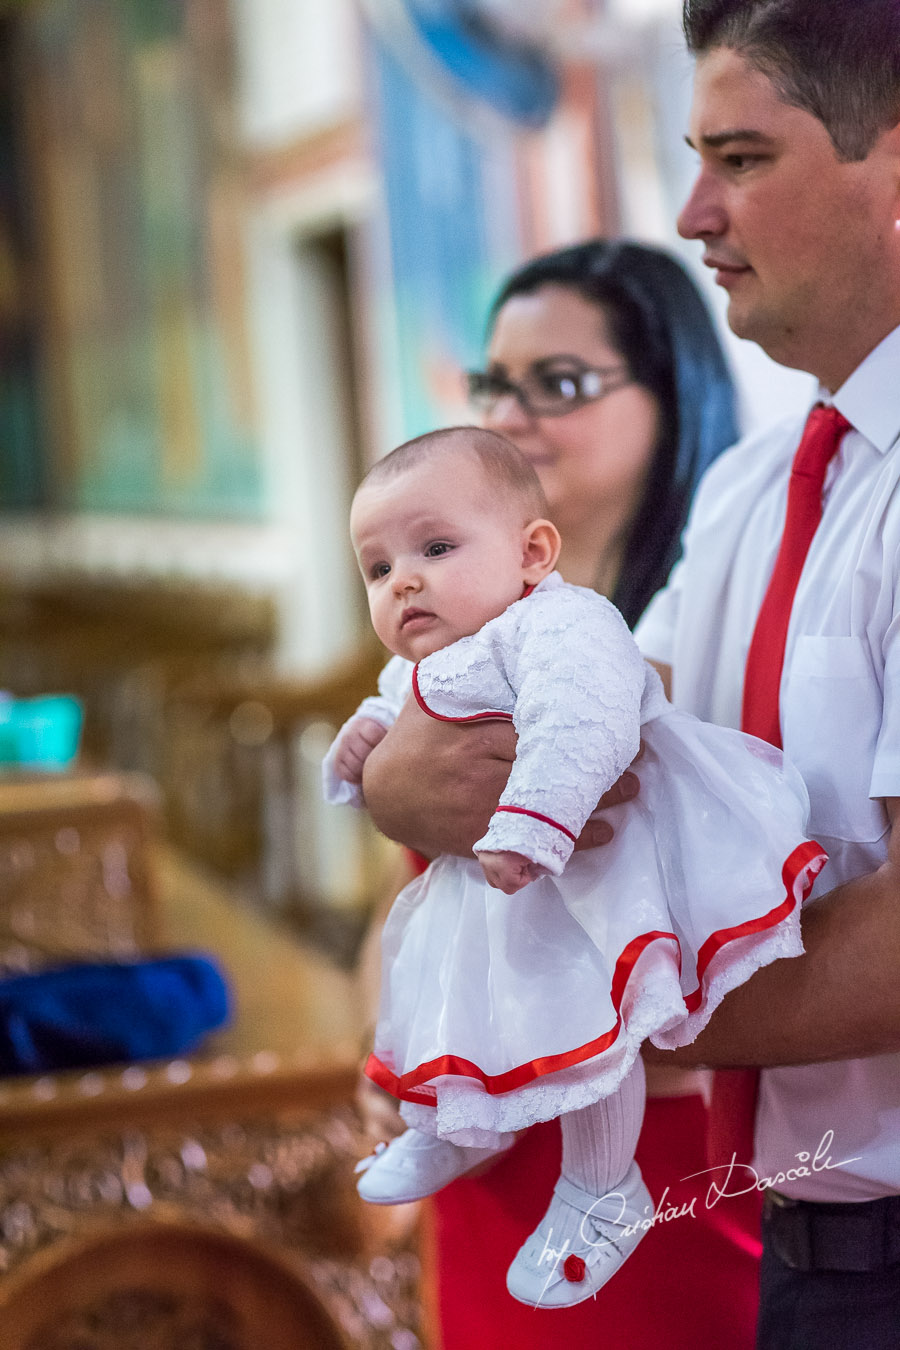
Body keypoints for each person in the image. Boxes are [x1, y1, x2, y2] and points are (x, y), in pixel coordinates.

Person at [359, 240, 763, 1348]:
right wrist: (382, 1049)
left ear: (671, 394)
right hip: (476, 1139)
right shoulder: (451, 631)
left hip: (645, 1140)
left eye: (562, 383)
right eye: (494, 382)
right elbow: (409, 895)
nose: (513, 412)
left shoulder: (693, 639)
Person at [327, 426, 822, 1310]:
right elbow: (389, 712)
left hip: (591, 879)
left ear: (532, 553)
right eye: (377, 567)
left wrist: (532, 826)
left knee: (589, 1030)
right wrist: (365, 755)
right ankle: (453, 1118)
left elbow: (581, 724)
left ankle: (601, 1184)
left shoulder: (563, 621)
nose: (402, 579)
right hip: (506, 894)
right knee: (451, 986)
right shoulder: (442, 657)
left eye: (434, 549)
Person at [628, 4, 900, 1345]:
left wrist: (607, 1021)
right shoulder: (753, 484)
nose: (692, 213)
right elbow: (581, 738)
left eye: (741, 160)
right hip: (807, 1235)